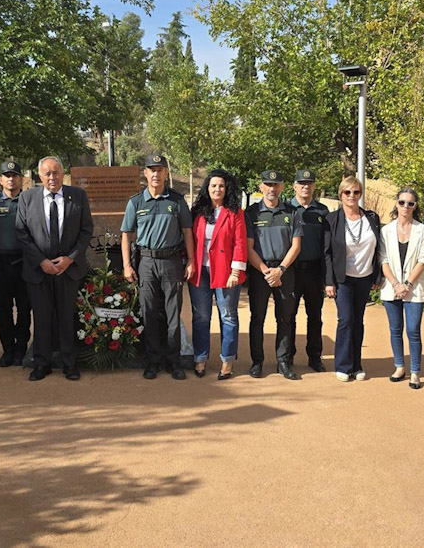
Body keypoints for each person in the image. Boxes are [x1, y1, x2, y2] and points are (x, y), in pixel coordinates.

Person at [16, 156, 93, 381]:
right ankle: (42, 363)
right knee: (41, 317)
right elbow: (21, 233)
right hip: (38, 270)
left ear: (63, 174)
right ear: (40, 176)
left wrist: (70, 259)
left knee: (67, 317)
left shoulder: (77, 196)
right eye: (48, 173)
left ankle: (70, 363)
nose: (52, 177)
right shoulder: (27, 198)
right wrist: (41, 261)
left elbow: (86, 230)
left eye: (56, 172)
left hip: (68, 270)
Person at [121, 154, 194, 380]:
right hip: (146, 262)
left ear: (166, 173)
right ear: (145, 174)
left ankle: (173, 361)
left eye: (160, 170)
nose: (156, 174)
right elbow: (126, 235)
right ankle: (153, 361)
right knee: (149, 312)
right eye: (152, 170)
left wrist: (191, 260)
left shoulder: (177, 201)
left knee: (173, 313)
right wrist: (126, 265)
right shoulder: (136, 202)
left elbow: (187, 232)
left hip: (172, 261)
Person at [187, 169, 247, 380]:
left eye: (221, 186)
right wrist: (189, 263)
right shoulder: (198, 211)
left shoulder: (235, 212)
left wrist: (235, 271)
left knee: (228, 316)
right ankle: (200, 357)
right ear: (207, 188)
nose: (217, 189)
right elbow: (191, 240)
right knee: (201, 317)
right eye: (213, 185)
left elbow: (240, 243)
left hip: (226, 272)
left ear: (226, 188)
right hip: (200, 272)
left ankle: (227, 360)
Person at [245, 170, 303, 380]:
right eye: (268, 184)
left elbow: (296, 246)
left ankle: (283, 362)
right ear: (261, 186)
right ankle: (256, 362)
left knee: (285, 318)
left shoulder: (292, 212)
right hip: (261, 271)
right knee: (257, 317)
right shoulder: (251, 213)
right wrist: (265, 271)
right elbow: (248, 247)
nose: (272, 188)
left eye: (276, 184)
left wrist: (281, 270)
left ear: (282, 187)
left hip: (284, 271)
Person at [324, 176, 382, 382]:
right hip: (343, 279)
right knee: (346, 320)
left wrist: (377, 275)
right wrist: (328, 281)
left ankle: (356, 365)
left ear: (360, 194)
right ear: (341, 194)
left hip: (365, 277)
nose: (351, 196)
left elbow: (379, 250)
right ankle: (342, 365)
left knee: (358, 321)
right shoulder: (332, 220)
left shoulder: (372, 218)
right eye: (347, 192)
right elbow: (327, 253)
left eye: (356, 192)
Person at [377, 188, 424, 389]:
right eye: (402, 202)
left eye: (410, 203)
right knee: (395, 329)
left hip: (414, 289)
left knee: (413, 330)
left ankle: (415, 372)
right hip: (391, 287)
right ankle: (399, 366)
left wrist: (407, 284)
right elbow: (382, 259)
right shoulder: (386, 230)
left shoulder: (423, 231)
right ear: (396, 204)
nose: (406, 207)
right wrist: (395, 284)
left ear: (415, 206)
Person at [0, 160, 32, 367]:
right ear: (0, 179)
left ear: (21, 179)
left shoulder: (30, 201)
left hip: (24, 262)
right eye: (7, 175)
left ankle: (21, 348)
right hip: (1, 263)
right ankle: (7, 350)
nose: (11, 179)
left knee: (23, 308)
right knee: (3, 309)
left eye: (15, 175)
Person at [287, 169, 331, 372]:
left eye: (309, 183)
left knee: (315, 317)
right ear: (294, 186)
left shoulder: (322, 212)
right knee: (288, 316)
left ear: (314, 186)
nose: (306, 186)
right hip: (292, 272)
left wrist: (327, 276)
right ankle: (287, 357)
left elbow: (327, 246)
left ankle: (315, 357)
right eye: (301, 183)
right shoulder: (286, 209)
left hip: (314, 271)